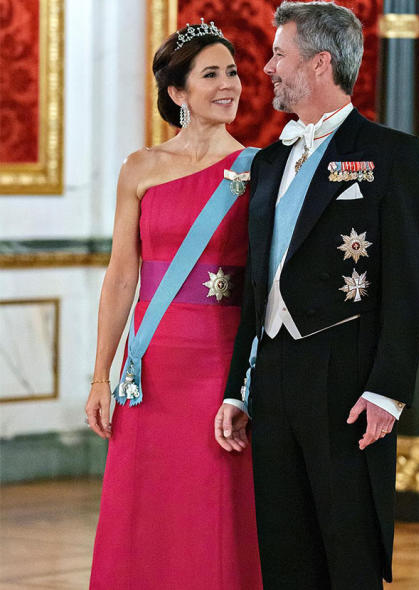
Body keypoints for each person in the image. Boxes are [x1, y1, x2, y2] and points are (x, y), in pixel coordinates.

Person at [214, 2, 419, 587]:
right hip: (274, 376)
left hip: (346, 378)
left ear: (319, 63)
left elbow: (411, 282)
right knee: (285, 554)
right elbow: (256, 288)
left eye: (279, 55)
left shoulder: (394, 155)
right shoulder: (268, 162)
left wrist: (389, 390)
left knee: (349, 550)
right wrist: (239, 387)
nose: (266, 69)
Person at [85, 22, 261, 589]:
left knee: (213, 506)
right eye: (211, 74)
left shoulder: (259, 170)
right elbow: (120, 278)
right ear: (178, 93)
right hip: (150, 366)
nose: (228, 85)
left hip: (221, 361)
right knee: (146, 501)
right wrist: (99, 376)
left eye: (231, 72)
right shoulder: (140, 167)